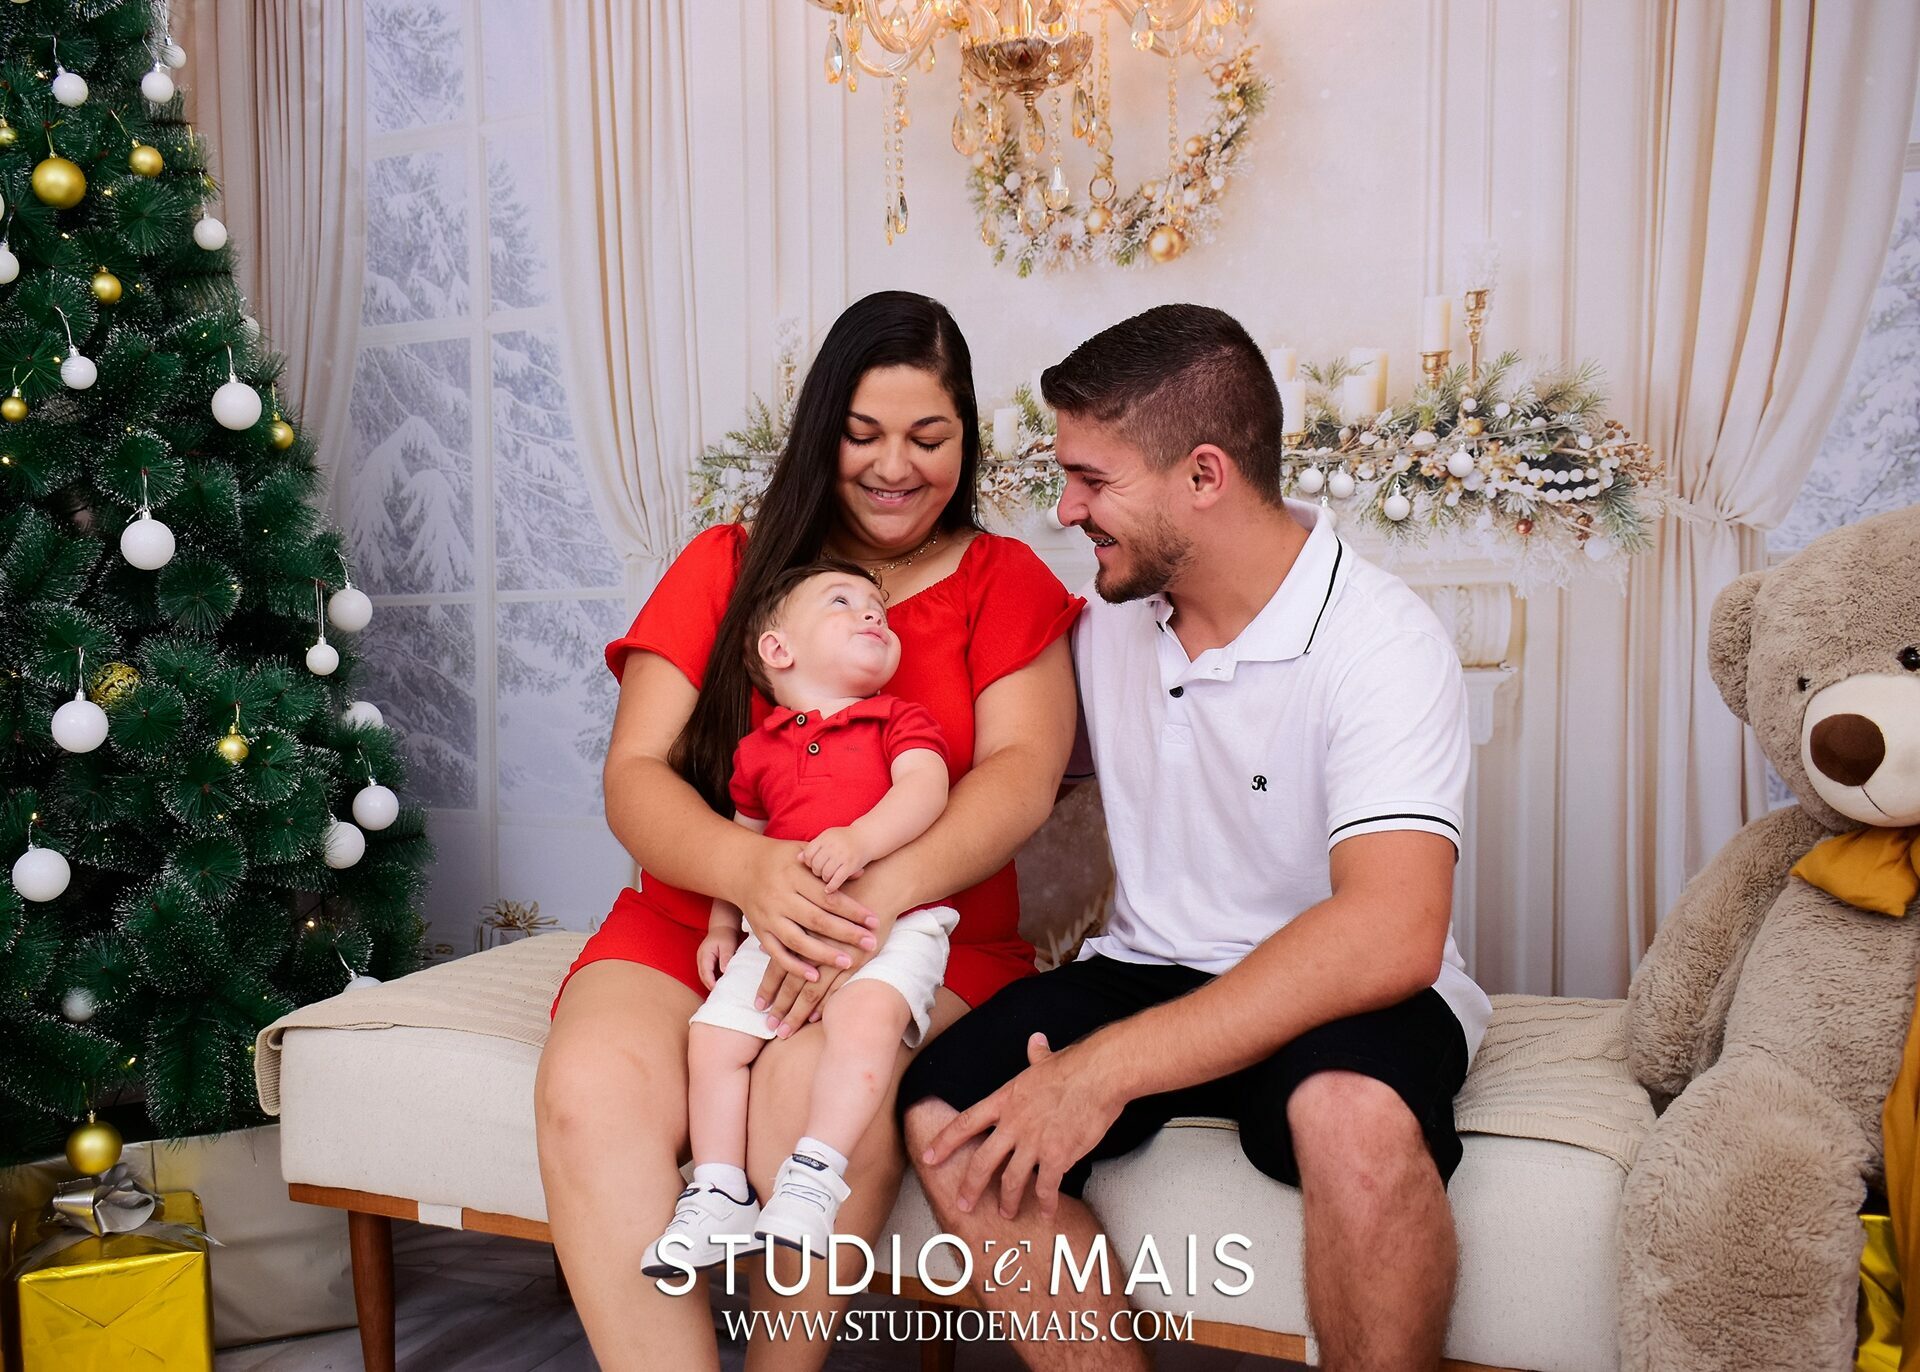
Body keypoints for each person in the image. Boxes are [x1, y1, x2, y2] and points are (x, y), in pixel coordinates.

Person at [900, 303, 1492, 1372]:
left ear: (1205, 475)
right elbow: (993, 771)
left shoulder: (1381, 641)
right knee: (952, 1117)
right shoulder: (1105, 623)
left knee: (1354, 1116)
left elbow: (1393, 929)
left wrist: (1102, 1072)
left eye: (1092, 479)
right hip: (1148, 965)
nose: (1066, 509)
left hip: (1343, 982)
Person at [535, 290, 1083, 1372]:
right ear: (821, 428)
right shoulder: (725, 565)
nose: (895, 466)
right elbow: (635, 776)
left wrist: (870, 898)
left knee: (805, 1095)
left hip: (920, 933)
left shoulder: (1004, 581)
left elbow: (1022, 779)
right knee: (587, 1094)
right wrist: (749, 870)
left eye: (929, 437)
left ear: (967, 438)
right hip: (699, 920)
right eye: (863, 434)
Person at [641, 559, 957, 1274]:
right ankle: (720, 1189)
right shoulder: (758, 752)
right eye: (844, 601)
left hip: (895, 922)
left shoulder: (897, 718)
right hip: (779, 929)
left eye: (880, 608)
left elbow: (926, 788)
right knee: (712, 1039)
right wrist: (723, 926)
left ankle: (815, 1175)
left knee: (866, 1021)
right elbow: (743, 845)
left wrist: (861, 841)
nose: (874, 613)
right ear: (778, 650)